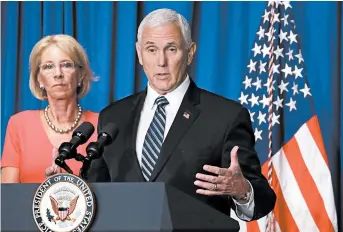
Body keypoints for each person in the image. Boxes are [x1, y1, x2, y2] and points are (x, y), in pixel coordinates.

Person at [87, 8, 276, 221]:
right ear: (139, 54)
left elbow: (263, 199)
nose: (161, 62)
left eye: (171, 49)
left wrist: (243, 190)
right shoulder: (113, 117)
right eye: (151, 50)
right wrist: (66, 187)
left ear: (190, 52)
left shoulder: (226, 116)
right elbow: (96, 191)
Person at [1, 34, 98, 183]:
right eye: (48, 66)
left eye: (66, 65)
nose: (58, 74)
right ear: (39, 78)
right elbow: (7, 198)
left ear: (80, 75)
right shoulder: (19, 124)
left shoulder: (101, 123)